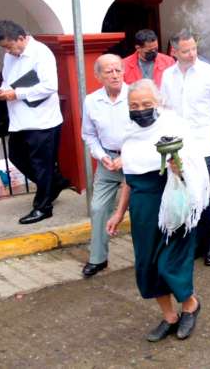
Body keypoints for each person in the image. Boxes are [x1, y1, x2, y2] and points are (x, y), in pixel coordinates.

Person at [105, 79, 208, 342]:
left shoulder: (174, 127)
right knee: (148, 266)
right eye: (134, 105)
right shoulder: (128, 135)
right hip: (142, 211)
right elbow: (129, 179)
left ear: (158, 103)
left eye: (146, 104)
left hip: (173, 206)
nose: (140, 110)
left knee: (169, 264)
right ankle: (169, 317)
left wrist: (180, 168)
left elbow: (194, 168)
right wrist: (119, 213)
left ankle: (190, 305)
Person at [160, 29, 210, 267]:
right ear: (174, 51)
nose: (191, 54)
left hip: (205, 144)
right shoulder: (168, 75)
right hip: (179, 146)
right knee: (188, 194)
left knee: (201, 194)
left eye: (193, 49)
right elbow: (165, 109)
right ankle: (198, 242)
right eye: (185, 50)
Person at [0, 20, 69, 225]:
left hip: (42, 120)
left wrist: (16, 93)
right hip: (19, 119)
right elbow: (7, 79)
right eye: (4, 48)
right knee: (16, 156)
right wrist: (3, 89)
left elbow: (50, 86)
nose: (8, 51)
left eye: (9, 46)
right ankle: (55, 182)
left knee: (41, 165)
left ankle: (43, 207)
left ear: (21, 38)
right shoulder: (9, 56)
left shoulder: (41, 53)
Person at [80, 54, 130, 278]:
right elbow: (89, 135)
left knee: (140, 210)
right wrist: (101, 156)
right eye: (109, 71)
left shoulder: (135, 94)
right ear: (98, 76)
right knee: (99, 208)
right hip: (108, 160)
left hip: (135, 159)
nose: (115, 75)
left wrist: (128, 156)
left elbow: (147, 132)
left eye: (118, 70)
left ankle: (149, 257)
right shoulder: (91, 101)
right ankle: (98, 258)